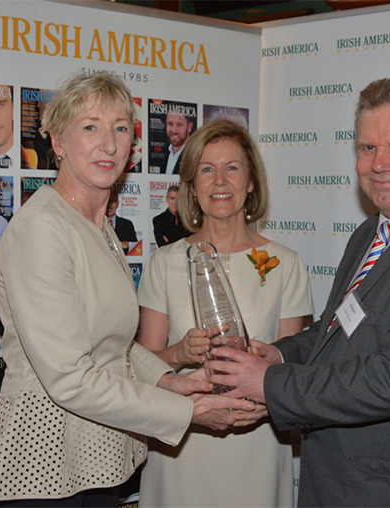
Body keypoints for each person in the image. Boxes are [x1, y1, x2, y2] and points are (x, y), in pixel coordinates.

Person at [0, 72, 257, 507]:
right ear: (57, 141)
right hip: (37, 471)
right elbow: (70, 376)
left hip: (89, 466)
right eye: (90, 127)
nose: (110, 144)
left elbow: (109, 342)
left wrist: (168, 382)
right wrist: (187, 412)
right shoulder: (42, 229)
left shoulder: (99, 227)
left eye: (120, 128)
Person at [209, 77, 390, 507]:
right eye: (366, 148)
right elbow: (342, 329)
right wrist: (281, 355)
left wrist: (270, 382)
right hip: (336, 480)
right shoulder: (370, 232)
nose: (378, 164)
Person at [138, 119, 314, 507]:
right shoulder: (163, 263)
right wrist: (179, 354)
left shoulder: (286, 264)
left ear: (251, 182)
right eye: (206, 169)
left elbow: (292, 369)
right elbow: (142, 366)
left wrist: (261, 405)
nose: (220, 181)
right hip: (182, 446)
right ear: (191, 184)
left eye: (232, 168)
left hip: (258, 447)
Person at [106, 190, 137, 254]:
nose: (109, 205)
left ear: (117, 204)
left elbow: (134, 248)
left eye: (112, 201)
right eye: (107, 201)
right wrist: (121, 244)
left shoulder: (127, 224)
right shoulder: (96, 224)